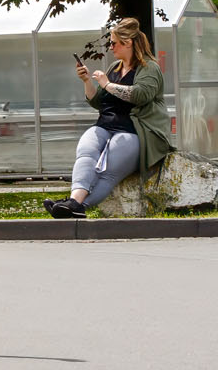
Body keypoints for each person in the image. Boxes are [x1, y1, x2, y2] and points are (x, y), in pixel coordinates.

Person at [44, 17, 174, 219]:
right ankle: (73, 202)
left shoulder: (149, 68)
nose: (111, 47)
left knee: (108, 172)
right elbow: (98, 102)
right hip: (106, 126)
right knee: (86, 153)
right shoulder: (114, 67)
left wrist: (107, 85)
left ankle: (77, 205)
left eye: (114, 43)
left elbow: (141, 95)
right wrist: (87, 81)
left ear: (128, 42)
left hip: (134, 131)